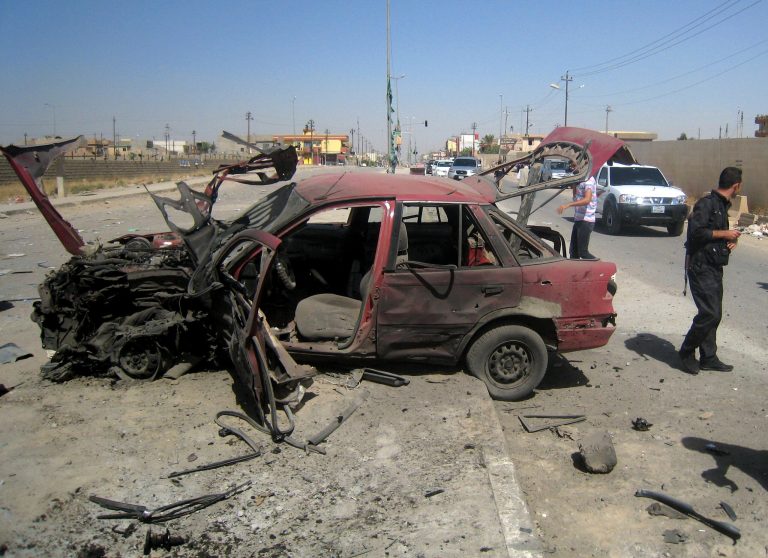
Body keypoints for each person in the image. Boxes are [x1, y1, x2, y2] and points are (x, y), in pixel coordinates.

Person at [678, 166, 743, 374]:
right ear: (736, 186)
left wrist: (730, 241)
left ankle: (709, 357)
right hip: (700, 266)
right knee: (710, 313)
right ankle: (687, 351)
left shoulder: (722, 205)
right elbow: (696, 234)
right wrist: (725, 234)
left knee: (715, 313)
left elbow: (717, 235)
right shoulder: (707, 203)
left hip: (714, 266)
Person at [557, 166, 597, 259]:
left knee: (583, 252)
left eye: (574, 165)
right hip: (578, 219)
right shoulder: (579, 180)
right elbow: (575, 197)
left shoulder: (589, 181)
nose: (572, 167)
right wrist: (573, 184)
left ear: (581, 165)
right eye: (571, 165)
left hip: (586, 221)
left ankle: (599, 266)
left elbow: (587, 200)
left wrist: (568, 205)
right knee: (573, 252)